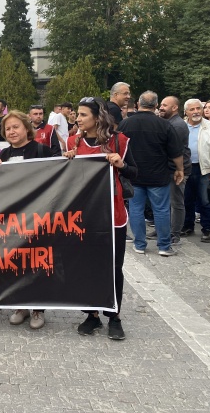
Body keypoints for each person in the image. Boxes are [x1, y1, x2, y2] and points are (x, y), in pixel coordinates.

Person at [64, 97, 138, 340]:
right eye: (77, 114)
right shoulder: (73, 141)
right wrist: (67, 163)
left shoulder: (119, 140)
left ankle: (114, 315)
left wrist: (121, 163)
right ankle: (91, 314)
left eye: (83, 114)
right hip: (85, 216)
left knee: (114, 267)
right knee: (88, 265)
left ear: (97, 117)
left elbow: (134, 172)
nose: (78, 118)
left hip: (113, 216)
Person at [0, 110, 59, 330]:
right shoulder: (4, 154)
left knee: (38, 262)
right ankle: (21, 305)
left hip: (38, 217)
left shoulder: (42, 150)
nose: (11, 131)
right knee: (16, 262)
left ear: (26, 129)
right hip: (13, 220)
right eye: (7, 129)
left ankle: (38, 308)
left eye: (15, 127)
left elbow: (59, 176)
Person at [118, 91, 184, 257]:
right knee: (161, 211)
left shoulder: (125, 124)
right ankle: (164, 246)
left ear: (138, 105)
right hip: (158, 175)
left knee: (136, 209)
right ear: (156, 105)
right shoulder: (165, 125)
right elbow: (176, 153)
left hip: (134, 175)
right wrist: (180, 169)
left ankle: (139, 244)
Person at [181, 99, 210, 242]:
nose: (196, 111)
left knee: (205, 200)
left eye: (198, 108)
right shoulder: (181, 126)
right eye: (192, 109)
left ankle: (207, 229)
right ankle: (187, 226)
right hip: (185, 168)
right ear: (186, 112)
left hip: (205, 169)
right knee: (186, 199)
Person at [157, 97, 191, 244]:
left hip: (176, 170)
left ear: (175, 108)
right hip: (168, 169)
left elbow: (175, 151)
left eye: (165, 105)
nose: (161, 107)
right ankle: (164, 229)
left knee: (176, 202)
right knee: (166, 203)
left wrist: (178, 169)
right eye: (161, 105)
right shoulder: (168, 123)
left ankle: (174, 234)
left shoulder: (177, 125)